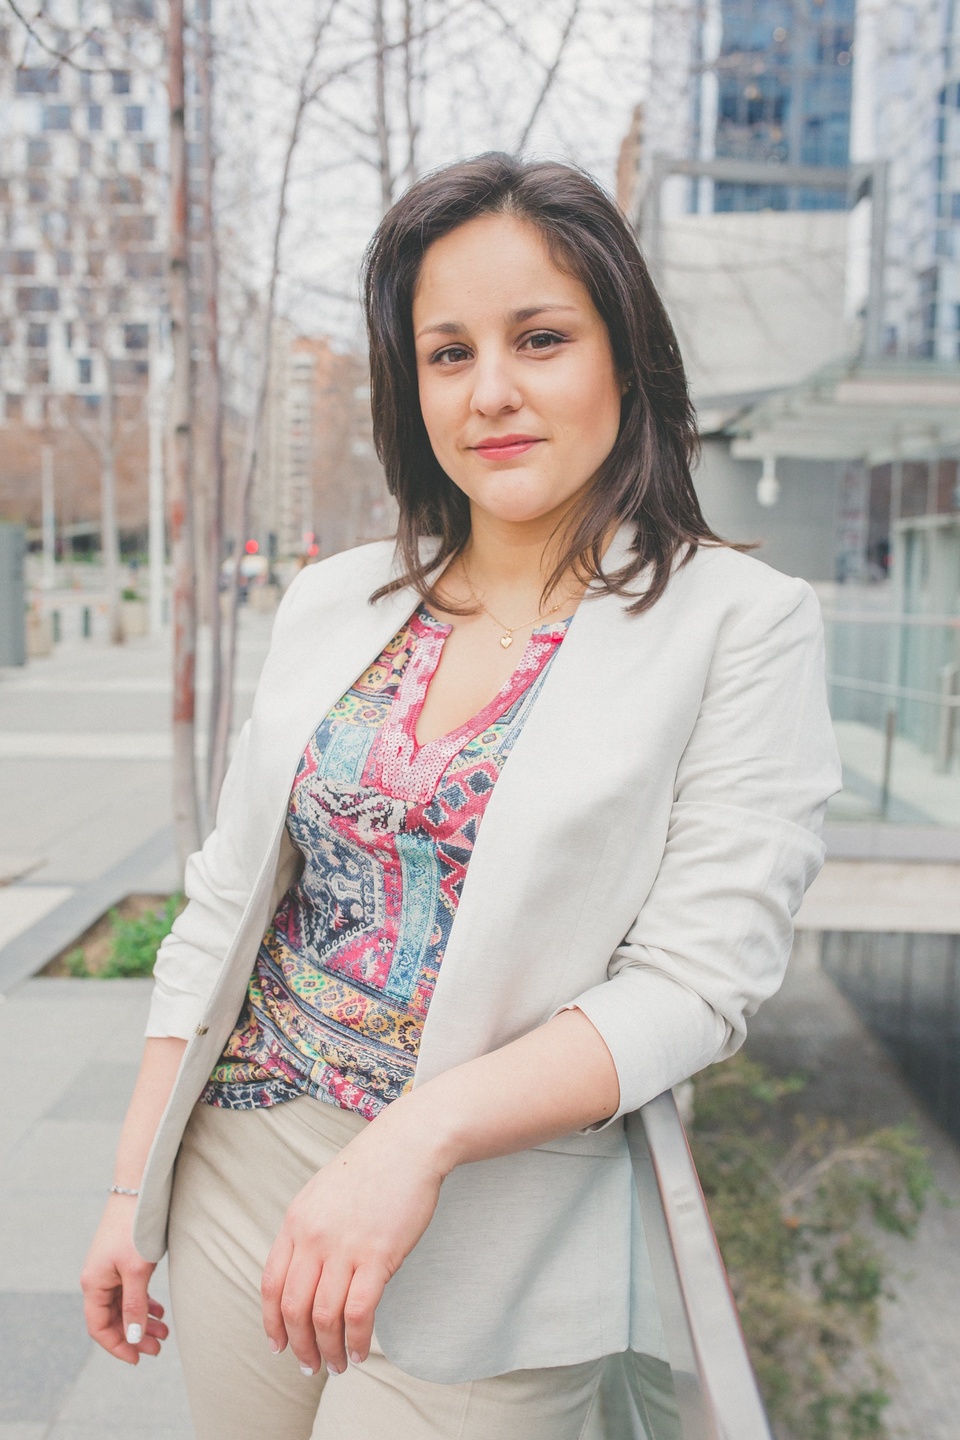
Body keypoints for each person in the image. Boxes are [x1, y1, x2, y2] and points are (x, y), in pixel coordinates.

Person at [81, 153, 841, 1439]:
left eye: (540, 339)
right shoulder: (338, 599)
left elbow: (696, 983)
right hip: (239, 1171)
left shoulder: (741, 625)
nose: (491, 391)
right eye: (448, 353)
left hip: (493, 1225)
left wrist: (413, 1138)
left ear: (626, 358)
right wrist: (127, 1190)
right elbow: (222, 908)